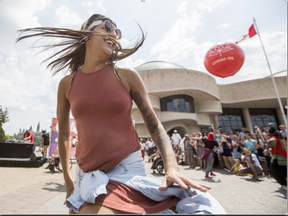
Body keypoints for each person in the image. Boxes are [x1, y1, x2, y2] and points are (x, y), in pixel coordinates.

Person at [17, 14, 225, 214]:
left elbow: (154, 125)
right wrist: (68, 179)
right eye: (108, 27)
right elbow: (63, 136)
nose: (115, 34)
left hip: (125, 169)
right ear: (87, 33)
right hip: (84, 175)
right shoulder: (66, 84)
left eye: (118, 31)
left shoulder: (126, 76)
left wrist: (172, 167)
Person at [264, 126, 287, 190]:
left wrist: (266, 149)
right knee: (284, 171)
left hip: (278, 157)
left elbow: (271, 142)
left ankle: (284, 184)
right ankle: (284, 184)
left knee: (274, 171)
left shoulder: (274, 138)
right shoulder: (280, 138)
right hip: (284, 156)